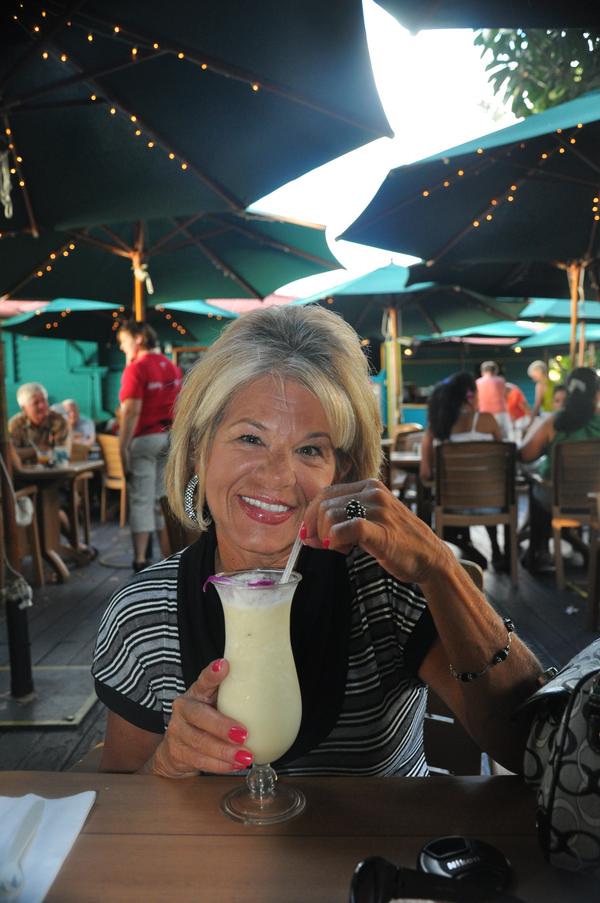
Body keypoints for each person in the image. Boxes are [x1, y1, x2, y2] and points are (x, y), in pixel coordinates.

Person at [93, 305, 543, 779]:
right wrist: (166, 764)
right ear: (197, 450)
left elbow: (529, 745)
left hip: (384, 831)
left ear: (340, 473)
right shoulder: (143, 614)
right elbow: (117, 801)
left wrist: (440, 568)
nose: (278, 476)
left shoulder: (386, 587)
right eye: (250, 438)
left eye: (310, 449)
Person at [419, 372, 504, 570]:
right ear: (471, 396)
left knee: (442, 500)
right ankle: (497, 549)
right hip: (492, 503)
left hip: (452, 506)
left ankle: (466, 549)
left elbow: (425, 474)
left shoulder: (437, 426)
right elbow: (501, 461)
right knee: (483, 484)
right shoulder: (488, 420)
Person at [117, 320, 182, 572]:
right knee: (161, 500)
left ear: (139, 339)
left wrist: (123, 446)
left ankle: (141, 561)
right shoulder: (172, 368)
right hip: (170, 437)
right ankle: (168, 558)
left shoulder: (136, 369)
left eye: (124, 341)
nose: (122, 347)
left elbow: (131, 411)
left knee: (141, 500)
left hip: (145, 438)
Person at [519, 367, 600, 561]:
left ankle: (538, 551)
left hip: (559, 498)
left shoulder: (555, 423)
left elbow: (525, 455)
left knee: (536, 483)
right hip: (596, 499)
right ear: (597, 394)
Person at [9, 382, 70, 463]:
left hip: (54, 469)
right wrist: (37, 450)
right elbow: (11, 454)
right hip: (24, 470)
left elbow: (61, 454)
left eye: (44, 400)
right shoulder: (16, 424)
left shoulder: (58, 421)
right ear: (24, 408)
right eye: (35, 403)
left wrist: (26, 453)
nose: (42, 406)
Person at [476, 361, 512, 440]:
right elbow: (506, 394)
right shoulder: (501, 380)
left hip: (484, 413)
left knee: (487, 437)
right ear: (495, 371)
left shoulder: (477, 382)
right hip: (501, 412)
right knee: (504, 437)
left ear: (482, 371)